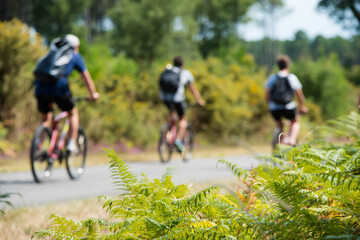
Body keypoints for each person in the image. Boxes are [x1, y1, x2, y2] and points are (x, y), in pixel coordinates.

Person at [34, 34, 99, 153]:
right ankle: (71, 144)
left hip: (40, 88)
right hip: (59, 89)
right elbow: (86, 78)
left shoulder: (51, 54)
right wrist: (93, 94)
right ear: (75, 46)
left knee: (45, 119)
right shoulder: (75, 56)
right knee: (73, 113)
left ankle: (37, 144)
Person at [159, 56, 205, 153]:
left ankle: (166, 137)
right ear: (182, 64)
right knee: (183, 119)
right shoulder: (185, 73)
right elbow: (192, 88)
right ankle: (178, 141)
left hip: (164, 98)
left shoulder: (167, 70)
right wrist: (199, 100)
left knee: (172, 114)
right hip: (177, 98)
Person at [265, 55, 308, 146]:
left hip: (274, 107)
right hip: (288, 106)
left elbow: (267, 94)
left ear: (278, 66)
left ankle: (280, 142)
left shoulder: (272, 77)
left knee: (279, 124)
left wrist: (269, 105)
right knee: (295, 122)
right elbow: (299, 94)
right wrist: (301, 106)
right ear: (288, 65)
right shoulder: (291, 77)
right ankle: (291, 140)